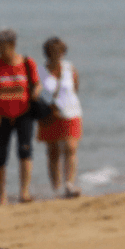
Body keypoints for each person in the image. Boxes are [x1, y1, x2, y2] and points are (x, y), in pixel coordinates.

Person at [0, 29, 42, 205]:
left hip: (24, 114)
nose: (0, 52)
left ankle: (24, 192)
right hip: (0, 117)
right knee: (0, 155)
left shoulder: (27, 63)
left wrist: (35, 94)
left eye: (2, 48)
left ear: (13, 45)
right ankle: (1, 194)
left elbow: (37, 84)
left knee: (25, 151)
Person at [37, 36, 83, 198]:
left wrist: (66, 103)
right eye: (53, 51)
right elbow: (39, 93)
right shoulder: (41, 71)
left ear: (63, 52)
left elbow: (75, 88)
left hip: (71, 112)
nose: (56, 54)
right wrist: (52, 107)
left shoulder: (70, 68)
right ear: (47, 53)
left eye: (59, 50)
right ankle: (55, 187)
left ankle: (69, 184)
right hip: (50, 115)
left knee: (70, 148)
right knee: (53, 151)